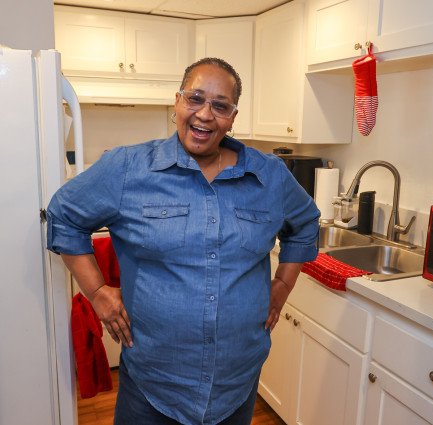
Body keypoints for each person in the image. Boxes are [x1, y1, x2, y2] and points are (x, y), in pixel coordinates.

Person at [46, 57, 320, 425]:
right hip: (152, 387)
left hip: (236, 387)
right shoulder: (129, 168)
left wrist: (283, 285)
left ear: (233, 116)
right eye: (195, 99)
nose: (205, 114)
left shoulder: (268, 175)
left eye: (220, 105)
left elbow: (304, 223)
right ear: (177, 102)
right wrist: (97, 292)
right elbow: (64, 214)